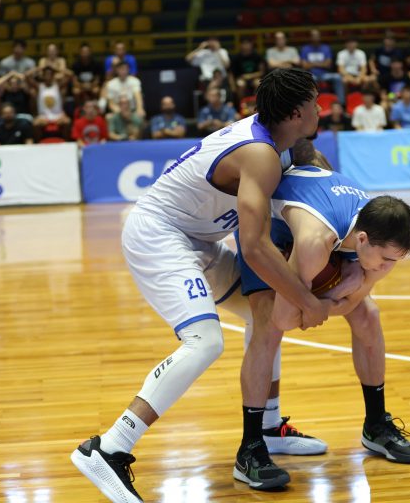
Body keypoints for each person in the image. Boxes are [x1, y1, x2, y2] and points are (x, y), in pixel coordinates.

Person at [70, 68, 328, 502]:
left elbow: (311, 165)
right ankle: (109, 447)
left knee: (267, 316)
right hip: (159, 234)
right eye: (315, 103)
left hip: (196, 239)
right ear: (297, 113)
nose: (322, 109)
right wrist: (307, 298)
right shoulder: (260, 154)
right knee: (205, 341)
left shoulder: (280, 142)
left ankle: (268, 426)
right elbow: (255, 247)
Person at [234, 167, 410, 490]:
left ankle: (376, 424)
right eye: (386, 260)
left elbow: (357, 299)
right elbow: (285, 319)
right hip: (267, 230)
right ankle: (249, 447)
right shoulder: (315, 241)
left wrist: (329, 299)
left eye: (395, 261)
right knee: (267, 325)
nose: (388, 268)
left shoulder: (376, 230)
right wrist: (338, 292)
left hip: (319, 222)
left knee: (369, 315)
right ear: (362, 240)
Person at [301, 29, 345, 105]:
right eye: (313, 36)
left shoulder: (326, 48)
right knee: (307, 79)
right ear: (310, 37)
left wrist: (312, 64)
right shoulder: (305, 49)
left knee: (338, 77)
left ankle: (341, 104)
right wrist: (321, 63)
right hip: (311, 75)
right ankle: (310, 104)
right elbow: (304, 66)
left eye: (317, 36)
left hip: (324, 74)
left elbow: (328, 64)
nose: (315, 38)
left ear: (320, 37)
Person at [30, 66, 70, 135]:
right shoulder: (39, 86)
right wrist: (39, 68)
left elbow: (70, 75)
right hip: (43, 116)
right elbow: (26, 76)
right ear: (43, 76)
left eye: (50, 74)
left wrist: (56, 69)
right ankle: (38, 141)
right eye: (46, 74)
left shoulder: (58, 86)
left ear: (53, 76)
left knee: (67, 122)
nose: (48, 76)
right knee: (35, 124)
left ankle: (65, 141)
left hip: (58, 115)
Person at [229, 38, 265, 104]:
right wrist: (233, 87)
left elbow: (262, 72)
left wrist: (249, 76)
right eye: (244, 43)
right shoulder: (236, 58)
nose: (246, 46)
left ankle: (257, 104)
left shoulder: (257, 56)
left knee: (258, 83)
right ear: (240, 45)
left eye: (247, 43)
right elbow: (231, 74)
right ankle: (241, 104)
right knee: (241, 84)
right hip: (241, 79)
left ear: (251, 44)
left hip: (255, 78)